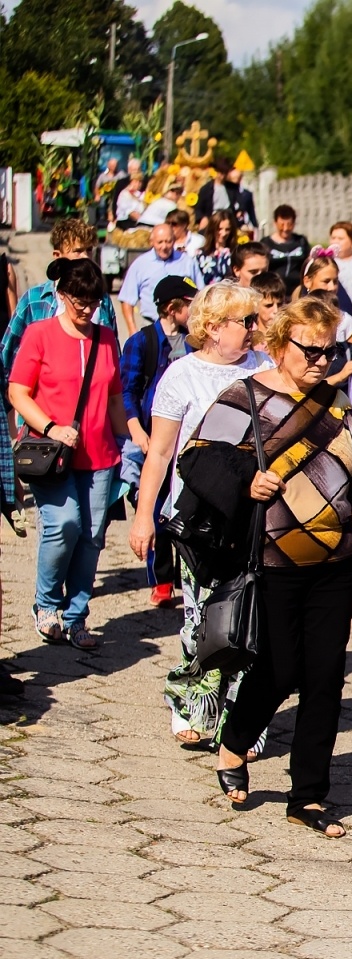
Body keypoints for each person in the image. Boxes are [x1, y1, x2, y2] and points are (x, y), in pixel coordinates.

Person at [199, 296, 352, 838]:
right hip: (271, 560)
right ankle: (234, 743)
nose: (319, 360)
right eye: (309, 349)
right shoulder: (245, 395)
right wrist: (248, 479)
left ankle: (308, 796)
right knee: (280, 668)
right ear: (278, 344)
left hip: (334, 563)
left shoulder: (338, 404)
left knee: (325, 678)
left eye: (329, 349)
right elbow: (197, 456)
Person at [128, 282, 273, 746]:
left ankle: (240, 719)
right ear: (212, 327)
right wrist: (143, 515)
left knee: (249, 619)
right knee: (201, 618)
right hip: (199, 520)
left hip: (254, 517)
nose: (254, 329)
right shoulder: (181, 376)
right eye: (244, 321)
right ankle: (193, 703)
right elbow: (160, 453)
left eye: (254, 320)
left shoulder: (265, 369)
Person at [8, 259, 128, 649]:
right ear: (61, 295)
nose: (85, 308)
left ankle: (77, 619)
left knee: (92, 537)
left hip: (100, 455)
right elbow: (17, 392)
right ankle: (46, 605)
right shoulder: (39, 334)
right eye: (78, 299)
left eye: (93, 301)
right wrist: (50, 426)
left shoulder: (107, 338)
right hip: (51, 454)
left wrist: (136, 440)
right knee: (64, 524)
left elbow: (114, 400)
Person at [0, 221, 119, 517]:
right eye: (77, 250)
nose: (85, 256)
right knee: (60, 522)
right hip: (44, 424)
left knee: (91, 529)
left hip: (91, 429)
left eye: (89, 250)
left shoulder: (101, 304)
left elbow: (111, 362)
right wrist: (14, 418)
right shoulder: (34, 301)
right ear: (57, 255)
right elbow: (8, 357)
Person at [119, 274, 198, 607]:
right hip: (155, 439)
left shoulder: (196, 342)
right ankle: (162, 578)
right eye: (188, 304)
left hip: (190, 439)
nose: (193, 311)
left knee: (188, 510)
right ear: (171, 308)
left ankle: (190, 574)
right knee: (155, 511)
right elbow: (128, 390)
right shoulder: (142, 342)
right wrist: (137, 431)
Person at [118, 223, 203, 333]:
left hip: (182, 327)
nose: (164, 246)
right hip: (150, 325)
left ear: (174, 240)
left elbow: (200, 293)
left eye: (168, 241)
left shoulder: (187, 261)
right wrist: (132, 329)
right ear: (151, 241)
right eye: (160, 242)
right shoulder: (140, 264)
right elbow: (127, 299)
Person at [264, 204, 312, 290]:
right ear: (275, 223)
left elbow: (308, 263)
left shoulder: (301, 241)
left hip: (297, 288)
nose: (285, 229)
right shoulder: (266, 243)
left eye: (289, 224)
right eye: (281, 225)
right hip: (274, 289)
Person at [196, 211, 238, 285]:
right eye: (219, 229)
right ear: (212, 229)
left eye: (227, 229)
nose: (223, 233)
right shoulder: (201, 254)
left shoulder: (236, 253)